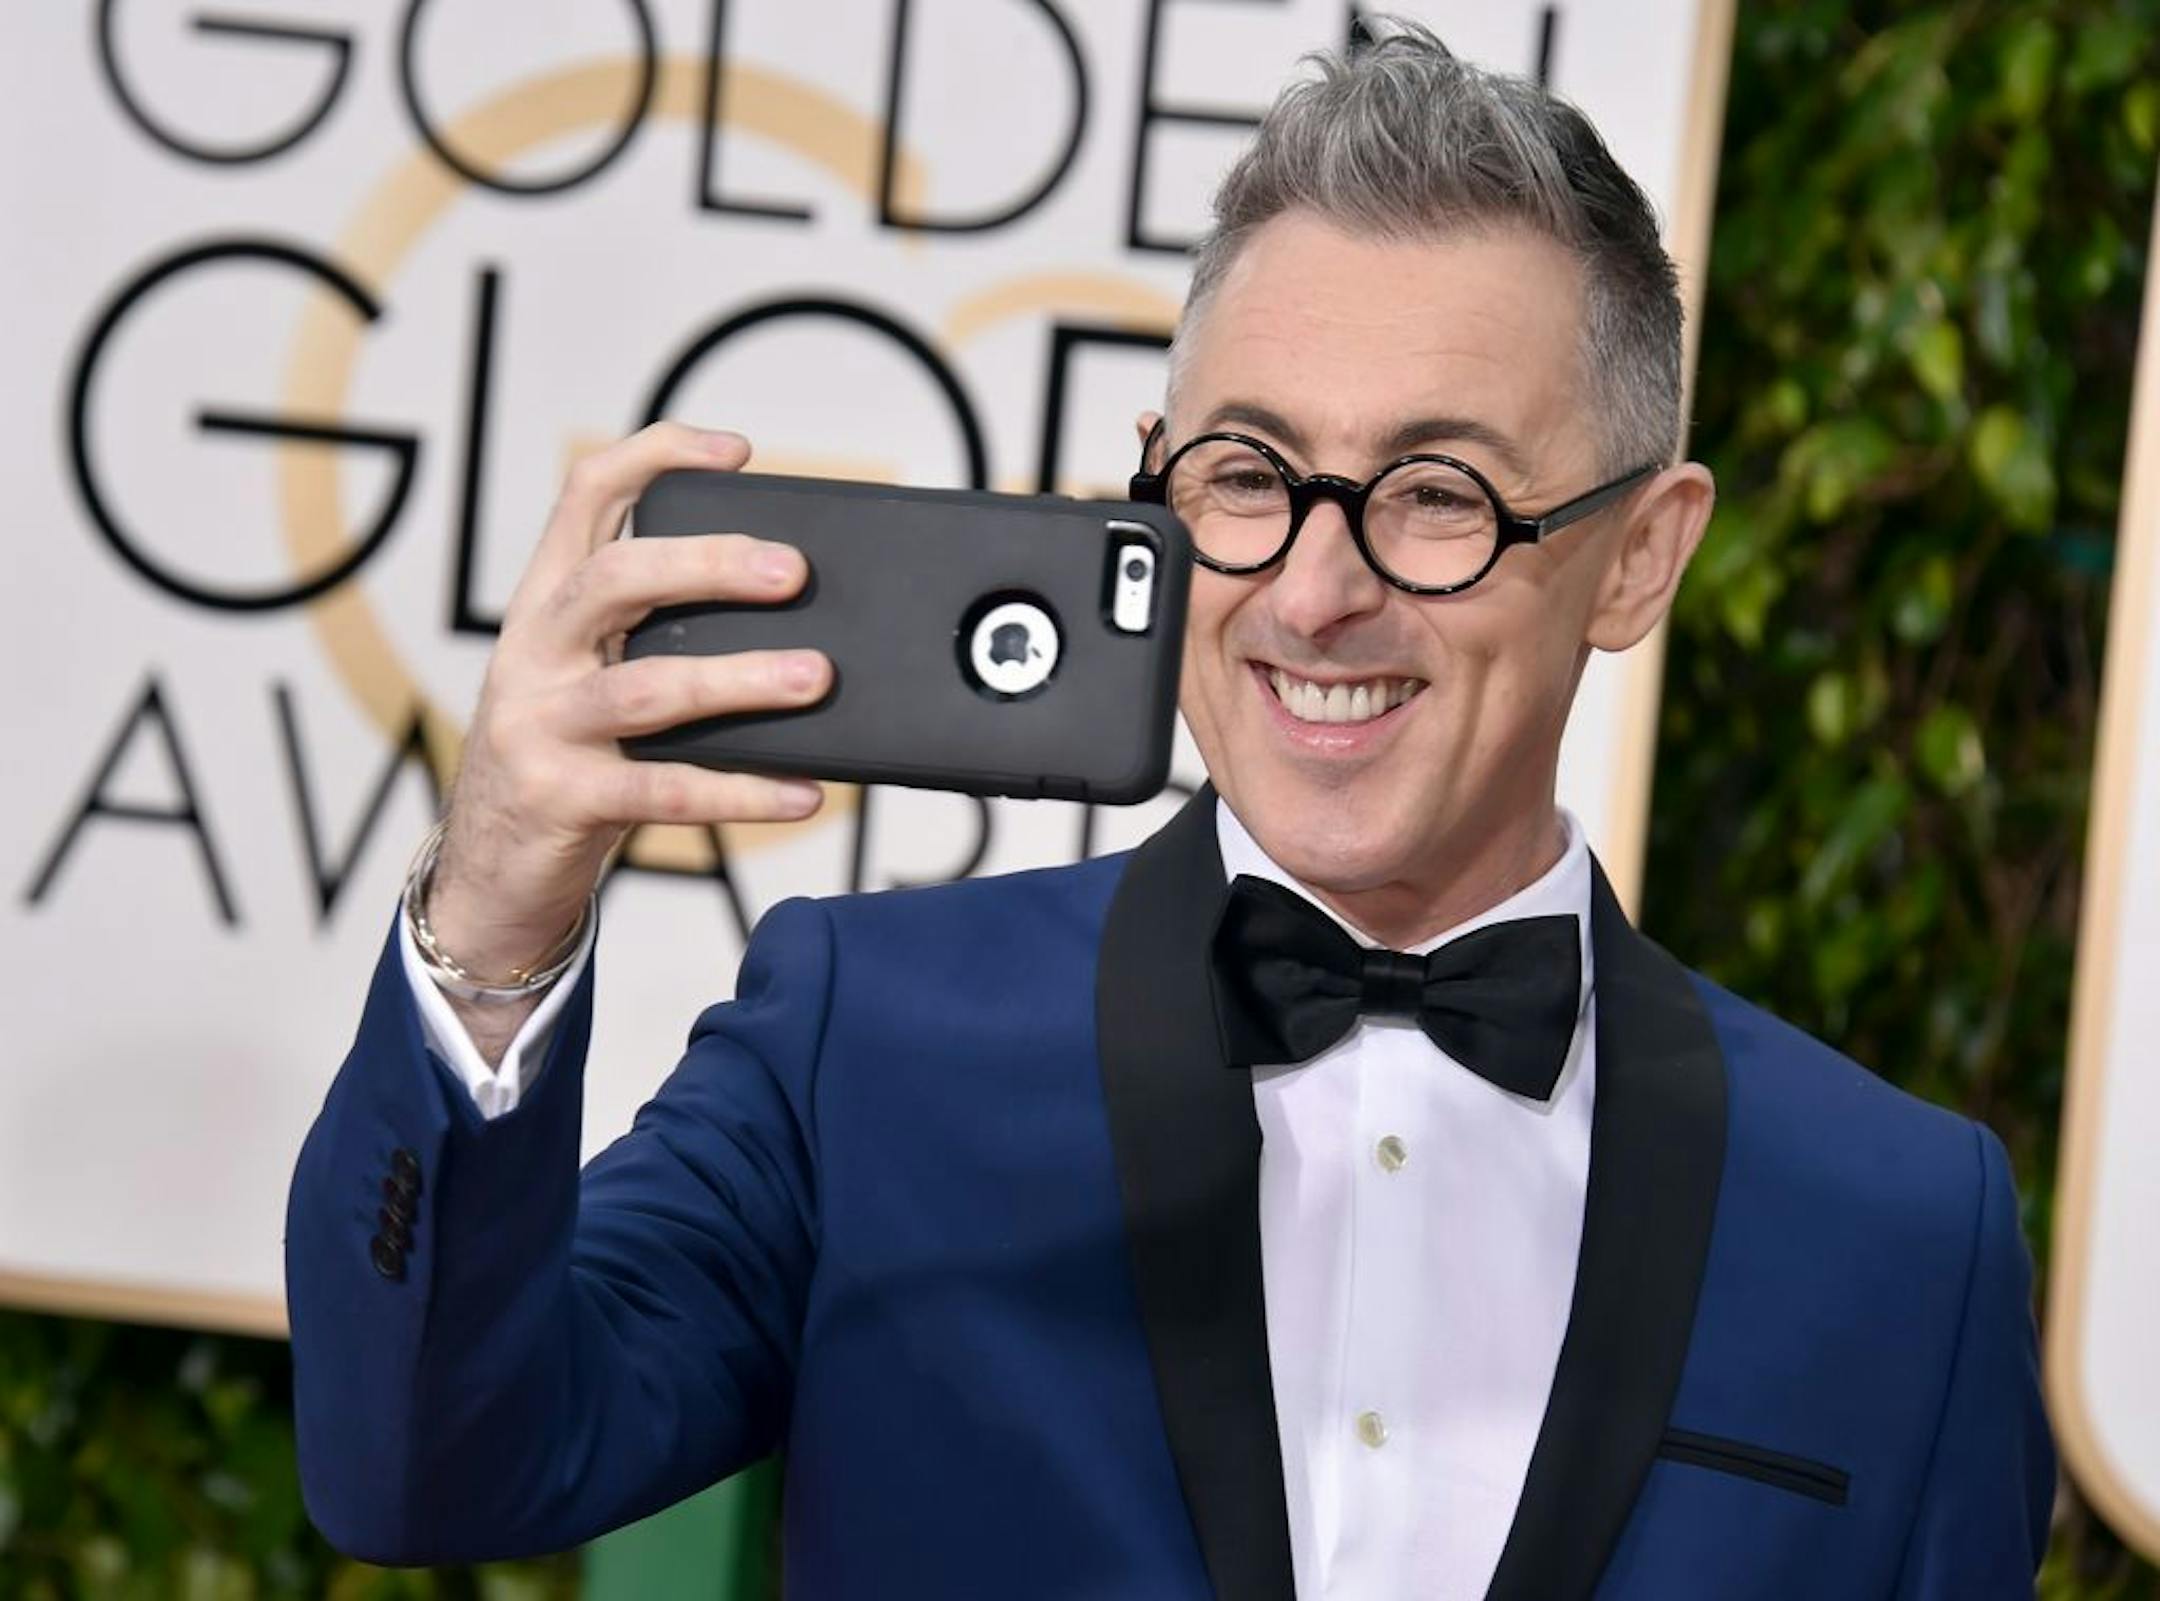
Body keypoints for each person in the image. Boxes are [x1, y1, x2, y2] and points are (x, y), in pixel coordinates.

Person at [285, 24, 2053, 1600]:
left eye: (1437, 494)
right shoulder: (861, 1044)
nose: (1313, 592)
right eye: (1249, 478)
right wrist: (498, 908)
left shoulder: (1904, 1230)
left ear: (1639, 554)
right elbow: (429, 1462)